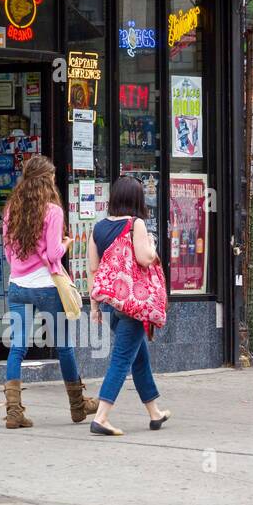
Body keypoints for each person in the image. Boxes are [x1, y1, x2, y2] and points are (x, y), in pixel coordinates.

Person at [0, 154, 98, 428]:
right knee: (64, 346)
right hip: (46, 287)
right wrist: (66, 244)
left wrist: (23, 266)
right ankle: (78, 406)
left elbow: (8, 251)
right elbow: (54, 252)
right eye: (53, 177)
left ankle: (13, 412)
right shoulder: (53, 211)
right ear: (47, 180)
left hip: (18, 286)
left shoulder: (12, 209)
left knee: (17, 348)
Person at [86, 175, 171, 436]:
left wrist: (94, 307)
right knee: (122, 359)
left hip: (112, 304)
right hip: (134, 306)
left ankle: (154, 413)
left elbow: (93, 269)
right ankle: (101, 417)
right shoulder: (136, 224)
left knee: (139, 357)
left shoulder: (98, 228)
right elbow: (145, 259)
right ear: (137, 200)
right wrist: (153, 246)